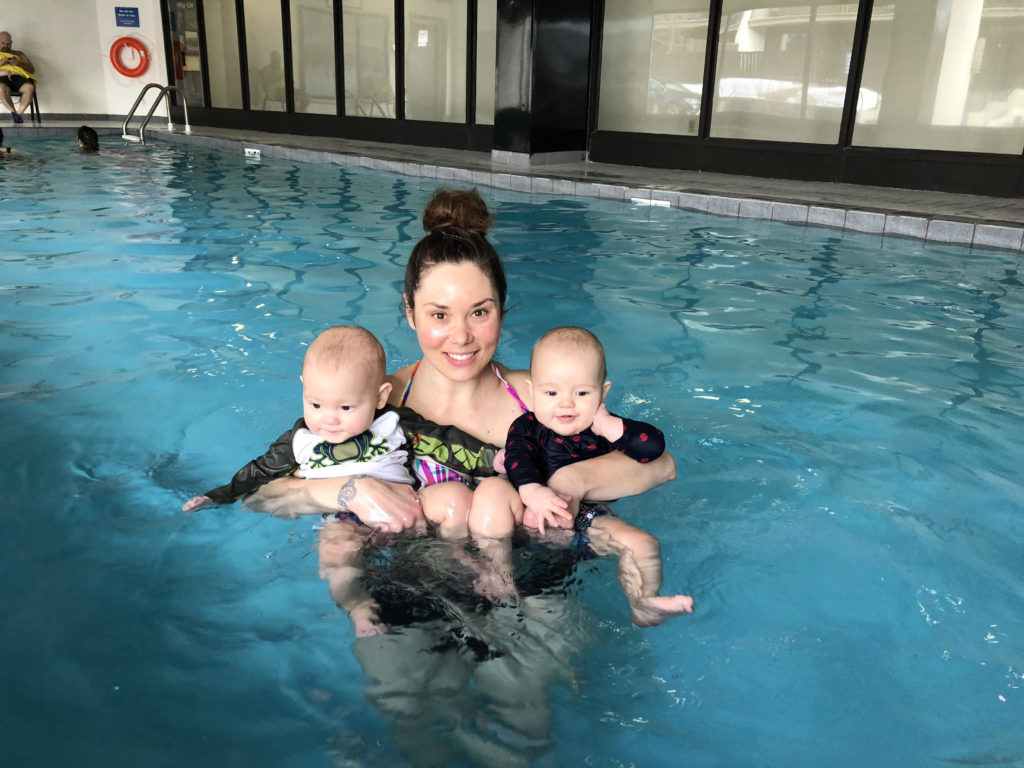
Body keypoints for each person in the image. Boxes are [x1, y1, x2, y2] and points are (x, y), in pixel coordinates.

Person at [244, 187, 677, 584]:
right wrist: (352, 490)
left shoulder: (540, 397)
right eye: (439, 315)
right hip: (408, 576)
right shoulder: (375, 399)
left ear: (502, 311)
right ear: (410, 313)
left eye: (479, 312)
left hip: (529, 578)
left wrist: (569, 483)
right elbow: (264, 495)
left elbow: (660, 465)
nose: (461, 336)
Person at [183, 324, 419, 635]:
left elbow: (449, 444)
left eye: (346, 407)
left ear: (379, 397)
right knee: (335, 554)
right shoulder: (301, 440)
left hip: (404, 507)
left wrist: (488, 458)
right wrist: (220, 495)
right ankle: (358, 608)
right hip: (343, 517)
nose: (329, 419)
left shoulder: (393, 424)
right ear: (303, 390)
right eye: (315, 404)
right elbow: (260, 470)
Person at [502, 326, 694, 626]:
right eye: (551, 392)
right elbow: (517, 458)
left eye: (581, 393)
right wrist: (533, 492)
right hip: (533, 518)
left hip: (589, 521)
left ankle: (643, 602)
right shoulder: (526, 427)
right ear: (531, 391)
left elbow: (652, 448)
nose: (566, 403)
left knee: (643, 543)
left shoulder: (601, 427)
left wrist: (611, 427)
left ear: (602, 392)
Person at [0, 31, 35, 124]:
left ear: (11, 43)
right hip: (2, 78)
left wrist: (19, 64)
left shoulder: (18, 54)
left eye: (8, 44)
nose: (6, 46)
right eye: (3, 43)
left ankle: (19, 114)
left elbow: (32, 69)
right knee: (0, 88)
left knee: (30, 87)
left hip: (18, 77)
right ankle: (13, 112)